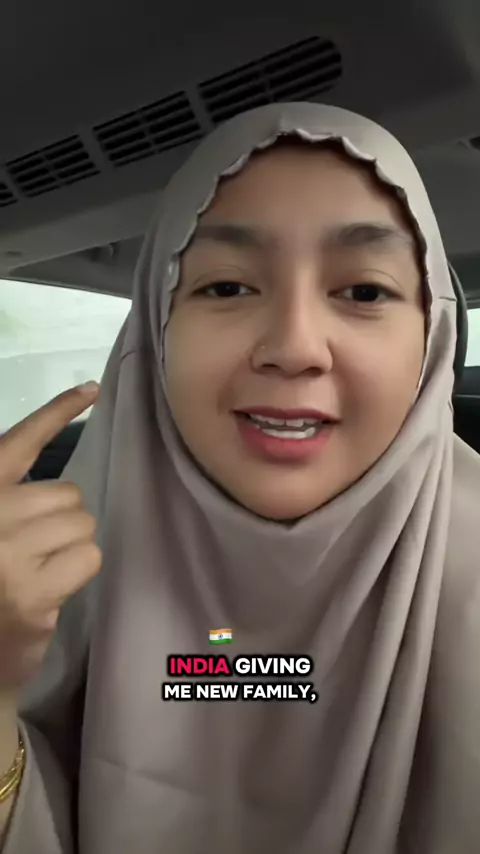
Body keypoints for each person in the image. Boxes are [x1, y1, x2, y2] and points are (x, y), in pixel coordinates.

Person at [0, 102, 479, 854]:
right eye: (226, 288)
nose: (294, 346)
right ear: (154, 334)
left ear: (435, 337)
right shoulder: (34, 577)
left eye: (364, 291)